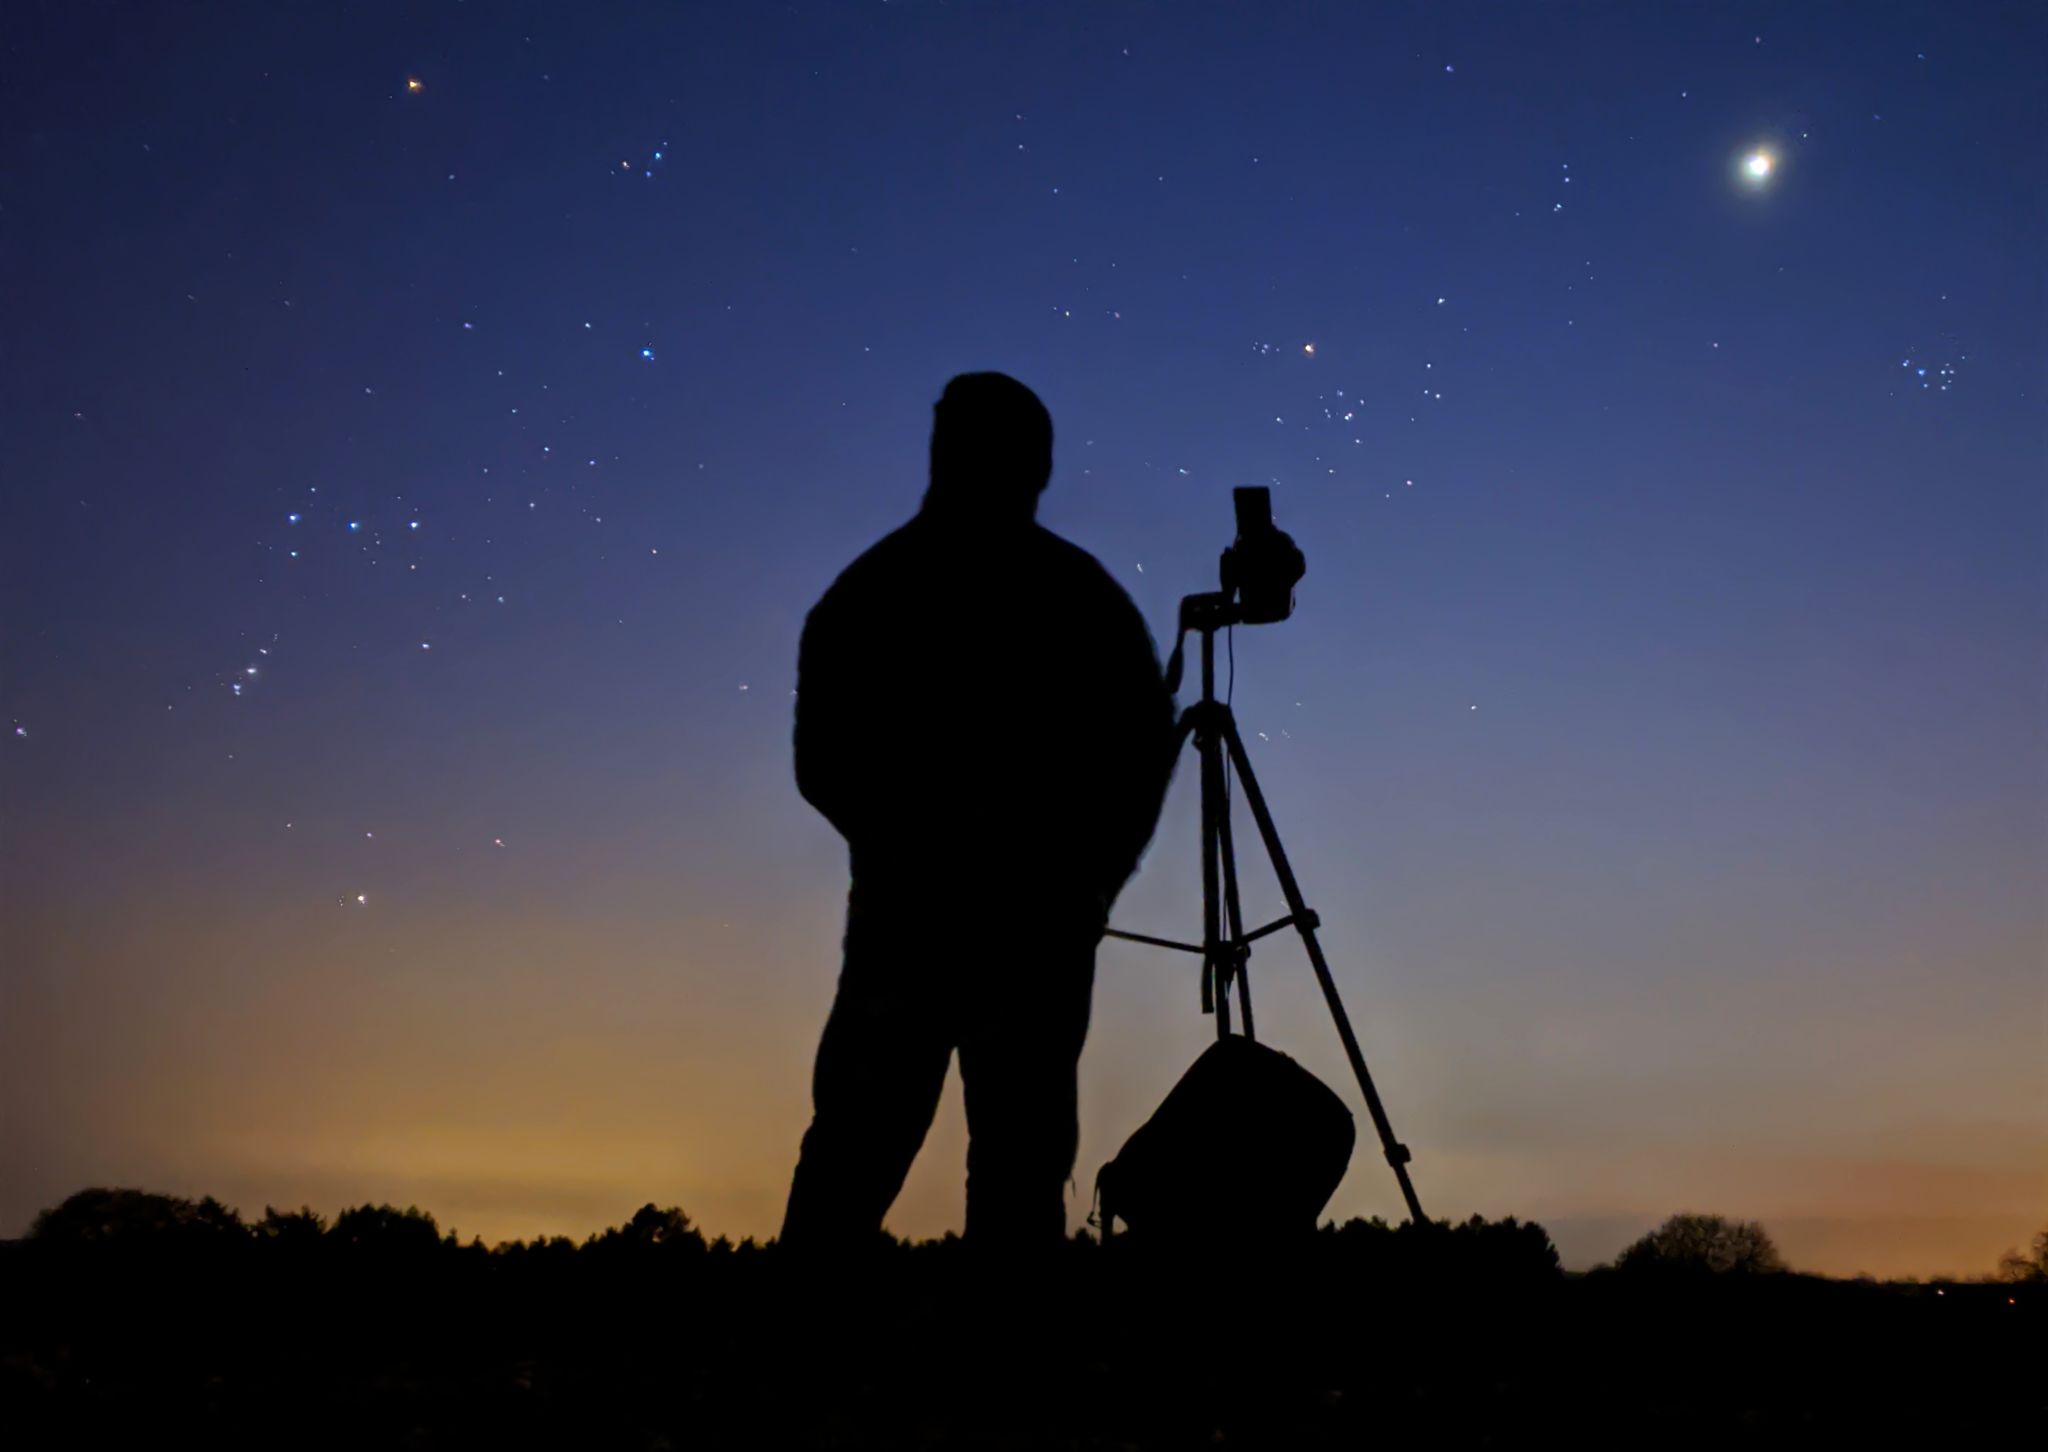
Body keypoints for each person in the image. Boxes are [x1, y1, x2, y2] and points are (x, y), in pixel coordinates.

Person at [780, 372, 1177, 1255]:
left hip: (973, 932)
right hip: (948, 933)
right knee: (892, 1156)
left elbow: (1141, 754)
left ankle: (829, 1369)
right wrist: (1078, 887)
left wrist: (1083, 889)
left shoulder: (875, 593)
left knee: (983, 1165)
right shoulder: (1065, 597)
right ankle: (848, 1368)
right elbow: (825, 766)